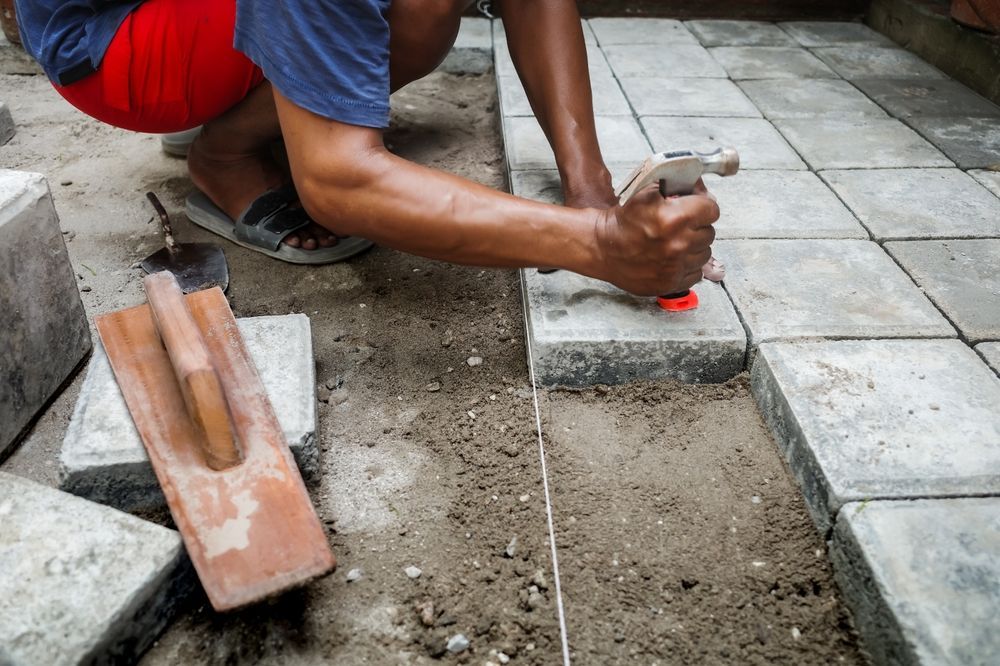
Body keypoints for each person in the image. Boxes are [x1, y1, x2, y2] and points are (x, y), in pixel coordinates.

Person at [14, 0, 719, 296]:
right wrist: (599, 244)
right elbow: (341, 181)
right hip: (111, 46)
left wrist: (591, 190)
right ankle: (224, 152)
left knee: (423, 14)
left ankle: (243, 106)